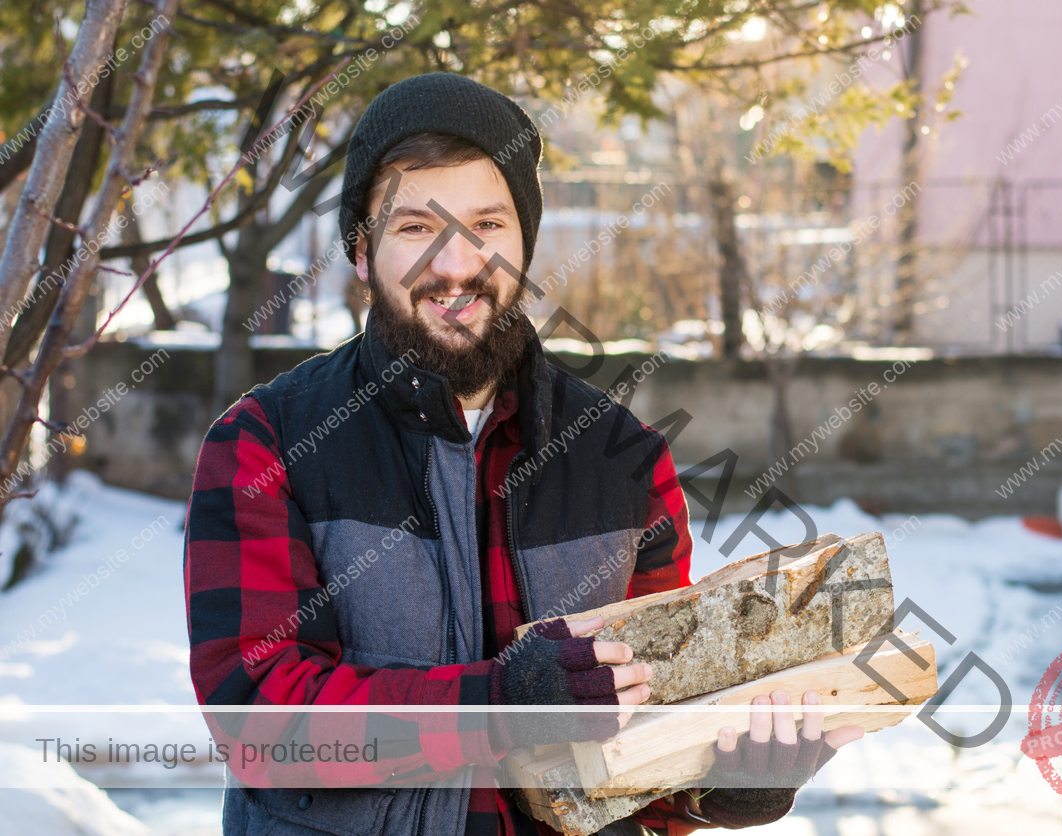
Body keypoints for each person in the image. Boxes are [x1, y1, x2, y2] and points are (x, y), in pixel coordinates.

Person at [184, 72, 860, 836]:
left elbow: (648, 726)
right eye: (413, 228)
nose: (455, 264)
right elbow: (259, 720)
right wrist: (500, 708)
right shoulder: (266, 444)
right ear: (361, 248)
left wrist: (722, 783)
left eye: (488, 224)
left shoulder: (624, 459)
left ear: (524, 241)